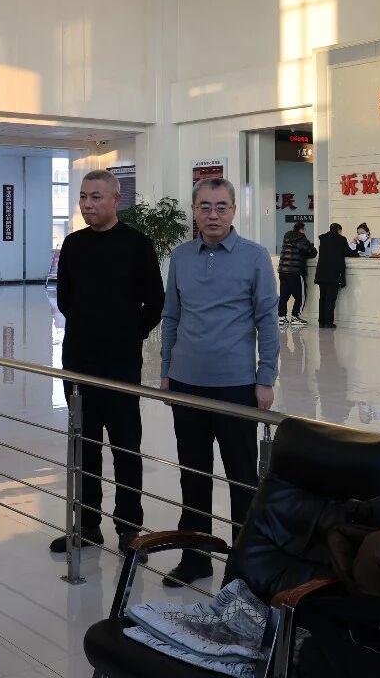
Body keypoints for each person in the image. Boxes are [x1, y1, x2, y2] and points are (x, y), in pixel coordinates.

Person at [160, 177, 278, 587]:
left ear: (233, 211)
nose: (213, 215)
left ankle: (243, 568)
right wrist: (167, 371)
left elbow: (267, 321)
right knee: (192, 474)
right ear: (194, 211)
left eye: (221, 207)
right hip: (187, 383)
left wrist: (266, 377)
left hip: (236, 386)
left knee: (242, 478)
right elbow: (171, 317)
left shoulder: (254, 257)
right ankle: (195, 558)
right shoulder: (181, 257)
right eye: (205, 207)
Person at [51, 170, 164, 557]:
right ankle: (87, 525)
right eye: (83, 196)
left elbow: (156, 301)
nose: (87, 204)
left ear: (116, 199)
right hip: (78, 362)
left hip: (120, 366)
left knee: (126, 447)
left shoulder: (137, 244)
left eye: (96, 197)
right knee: (84, 445)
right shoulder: (73, 244)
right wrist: (89, 327)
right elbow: (64, 298)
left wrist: (130, 333)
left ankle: (129, 529)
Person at [314, 223, 354, 328]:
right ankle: (328, 322)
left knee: (322, 298)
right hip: (334, 274)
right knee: (330, 299)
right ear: (339, 230)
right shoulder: (341, 239)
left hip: (321, 273)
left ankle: (321, 321)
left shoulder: (323, 239)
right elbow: (348, 252)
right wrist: (357, 252)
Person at [277, 222, 316, 326]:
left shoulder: (286, 237)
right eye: (304, 229)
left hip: (283, 270)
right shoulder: (302, 239)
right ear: (301, 229)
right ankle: (295, 316)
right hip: (295, 271)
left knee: (284, 295)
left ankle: (281, 317)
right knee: (300, 296)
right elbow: (313, 252)